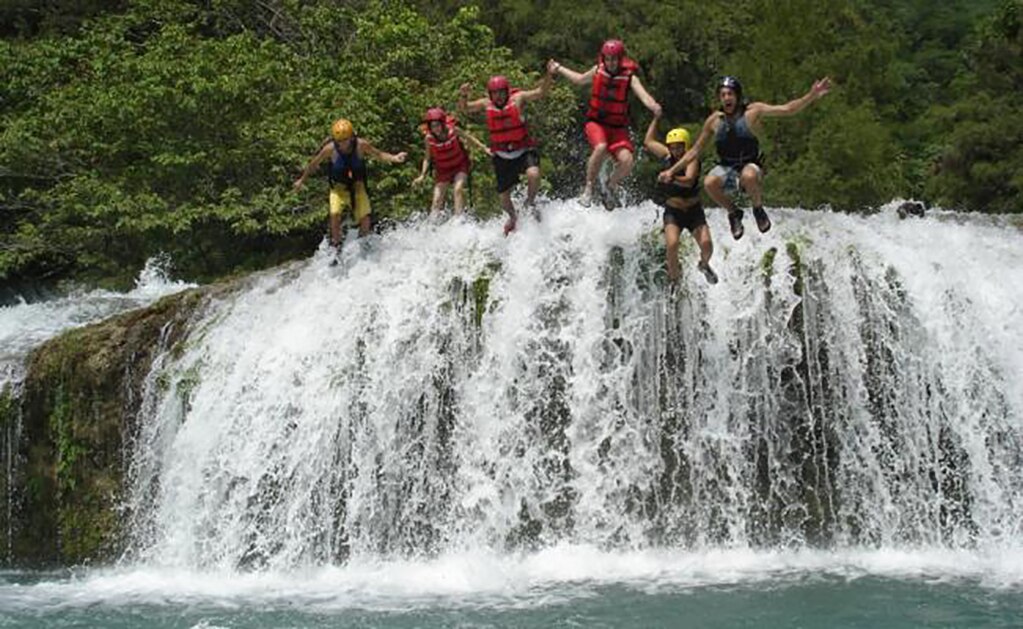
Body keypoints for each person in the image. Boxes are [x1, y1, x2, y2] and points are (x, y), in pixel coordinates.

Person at [659, 76, 832, 239]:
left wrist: (812, 95)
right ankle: (734, 212)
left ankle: (757, 209)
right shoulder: (714, 121)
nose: (727, 98)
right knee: (709, 183)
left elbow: (788, 109)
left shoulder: (752, 112)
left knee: (748, 175)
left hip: (751, 166)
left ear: (738, 96)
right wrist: (671, 171)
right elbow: (694, 150)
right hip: (729, 169)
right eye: (723, 95)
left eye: (730, 94)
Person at [548, 39, 662, 209]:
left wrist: (653, 106)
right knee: (600, 147)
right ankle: (588, 188)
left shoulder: (630, 77)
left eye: (614, 59)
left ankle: (609, 186)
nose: (610, 63)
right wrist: (559, 68)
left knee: (627, 160)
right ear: (603, 59)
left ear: (620, 59)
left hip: (617, 128)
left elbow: (644, 97)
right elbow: (579, 80)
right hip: (597, 124)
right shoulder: (597, 71)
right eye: (607, 59)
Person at [458, 66, 555, 235]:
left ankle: (530, 203)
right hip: (502, 155)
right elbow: (465, 108)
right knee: (503, 197)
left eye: (501, 92)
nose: (499, 96)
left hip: (523, 150)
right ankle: (513, 218)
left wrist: (549, 75)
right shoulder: (485, 104)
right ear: (490, 94)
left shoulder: (518, 99)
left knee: (533, 174)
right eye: (495, 93)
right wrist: (463, 95)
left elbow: (541, 92)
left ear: (507, 92)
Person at [293, 118, 407, 248]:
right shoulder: (330, 149)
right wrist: (302, 180)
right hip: (338, 189)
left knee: (365, 218)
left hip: (358, 187)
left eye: (345, 140)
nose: (342, 144)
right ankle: (336, 246)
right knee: (334, 214)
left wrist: (395, 158)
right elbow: (314, 164)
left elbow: (379, 154)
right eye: (339, 141)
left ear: (351, 137)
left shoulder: (361, 145)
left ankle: (362, 244)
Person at [644, 112, 717, 285]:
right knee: (672, 245)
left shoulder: (691, 159)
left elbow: (689, 180)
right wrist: (656, 118)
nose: (676, 151)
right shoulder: (667, 156)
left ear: (686, 146)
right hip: (673, 212)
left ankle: (704, 264)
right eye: (673, 147)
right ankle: (674, 279)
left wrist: (671, 177)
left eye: (679, 147)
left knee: (707, 245)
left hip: (693, 211)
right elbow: (648, 141)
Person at [412, 107, 489, 219]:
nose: (436, 129)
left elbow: (470, 138)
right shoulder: (429, 139)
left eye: (438, 125)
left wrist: (484, 148)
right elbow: (427, 158)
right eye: (433, 126)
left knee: (458, 189)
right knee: (437, 198)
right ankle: (432, 225)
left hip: (460, 165)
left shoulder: (453, 130)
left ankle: (459, 220)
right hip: (443, 170)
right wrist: (422, 175)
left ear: (442, 124)